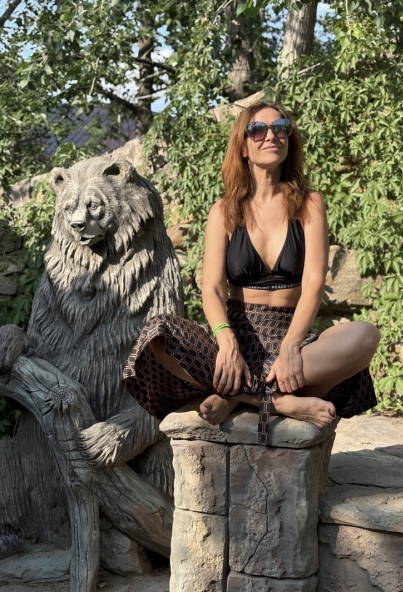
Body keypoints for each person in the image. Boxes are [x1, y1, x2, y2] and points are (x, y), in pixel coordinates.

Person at [123, 101, 380, 445]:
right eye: (257, 130)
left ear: (289, 139)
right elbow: (212, 288)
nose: (270, 136)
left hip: (293, 338)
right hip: (239, 335)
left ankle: (237, 397)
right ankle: (278, 401)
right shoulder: (224, 211)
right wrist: (226, 341)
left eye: (280, 128)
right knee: (159, 334)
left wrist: (291, 347)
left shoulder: (309, 203)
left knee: (365, 335)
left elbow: (314, 282)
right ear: (243, 147)